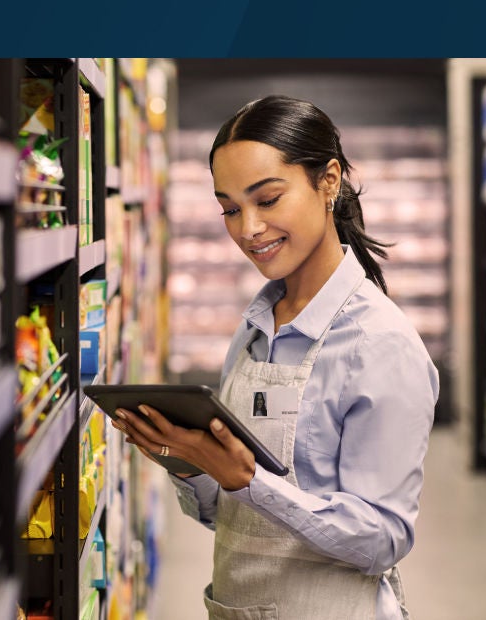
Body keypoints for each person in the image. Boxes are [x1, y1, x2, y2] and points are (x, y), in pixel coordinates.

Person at [113, 95, 439, 619]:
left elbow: (384, 539)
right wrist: (189, 462)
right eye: (230, 209)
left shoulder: (380, 345)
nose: (248, 229)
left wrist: (248, 480)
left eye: (267, 199)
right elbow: (238, 517)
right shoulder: (255, 329)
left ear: (328, 181)